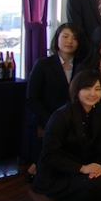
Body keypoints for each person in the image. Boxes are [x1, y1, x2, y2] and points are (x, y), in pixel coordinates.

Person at [32, 69, 101, 201]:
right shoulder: (61, 115)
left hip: (83, 173)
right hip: (59, 174)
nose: (93, 93)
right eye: (87, 88)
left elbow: (99, 152)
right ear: (77, 90)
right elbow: (50, 154)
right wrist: (82, 168)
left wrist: (97, 167)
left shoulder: (100, 116)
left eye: (97, 89)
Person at [26, 23, 83, 182]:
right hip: (47, 119)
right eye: (65, 36)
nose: (69, 41)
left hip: (74, 121)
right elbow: (32, 98)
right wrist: (51, 121)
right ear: (57, 39)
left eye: (74, 38)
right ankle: (36, 169)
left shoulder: (82, 66)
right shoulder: (43, 64)